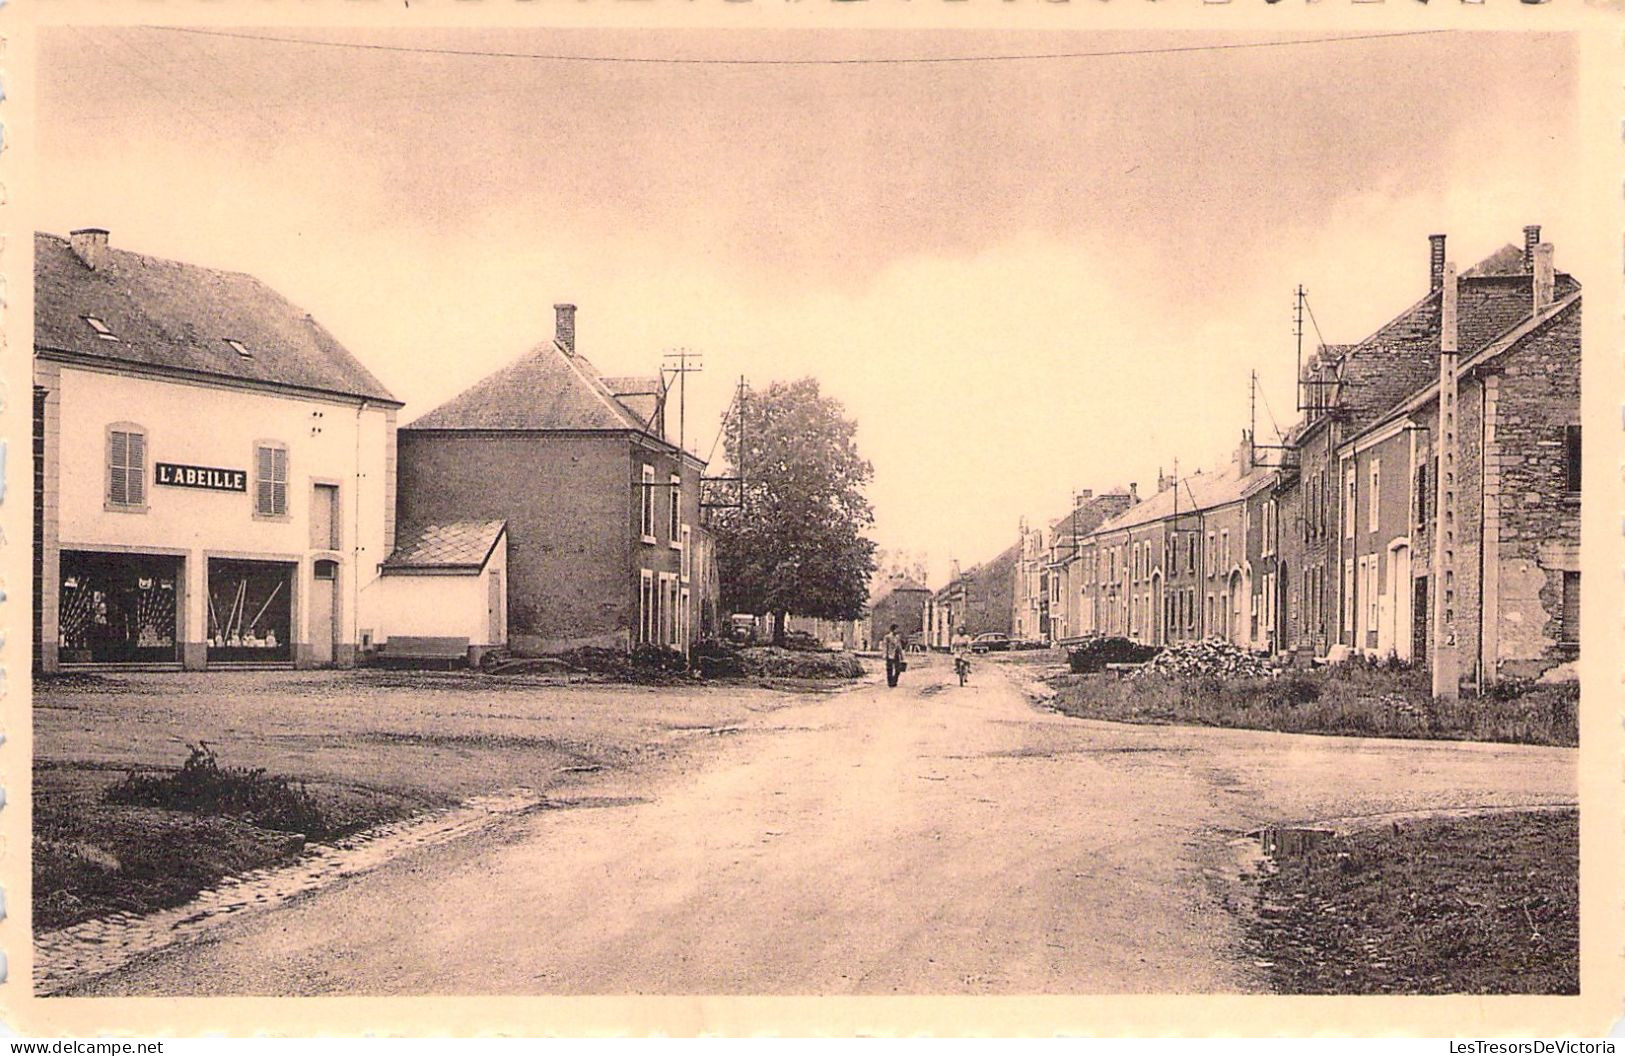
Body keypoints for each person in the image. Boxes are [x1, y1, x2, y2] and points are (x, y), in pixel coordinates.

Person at [881, 623, 906, 687]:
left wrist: (902, 656)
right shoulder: (887, 637)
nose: (897, 631)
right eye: (896, 629)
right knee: (889, 669)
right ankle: (890, 683)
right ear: (893, 630)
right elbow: (885, 646)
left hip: (896, 654)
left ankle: (894, 681)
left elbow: (899, 647)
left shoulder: (897, 637)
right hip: (890, 654)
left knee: (898, 669)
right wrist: (884, 654)